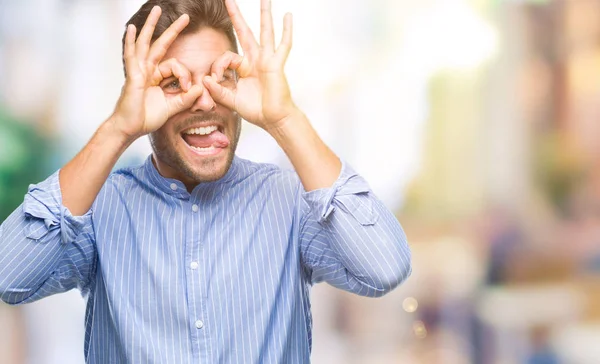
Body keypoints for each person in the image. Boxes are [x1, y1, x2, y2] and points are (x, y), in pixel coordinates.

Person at [0, 0, 412, 362]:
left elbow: (383, 268)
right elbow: (8, 276)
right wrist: (118, 128)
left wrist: (284, 118)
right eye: (174, 83)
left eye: (223, 77)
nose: (203, 99)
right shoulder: (101, 208)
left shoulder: (287, 200)